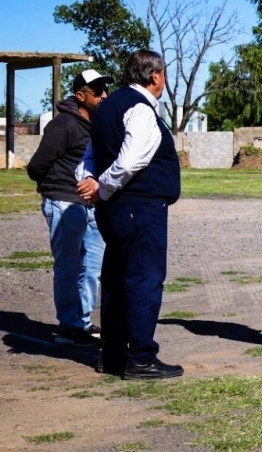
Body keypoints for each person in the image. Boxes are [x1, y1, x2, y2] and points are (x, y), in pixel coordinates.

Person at [76, 50, 183, 380]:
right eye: (164, 75)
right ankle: (140, 358)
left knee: (116, 281)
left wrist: (89, 180)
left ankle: (112, 355)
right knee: (143, 281)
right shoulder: (140, 108)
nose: (164, 81)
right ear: (155, 76)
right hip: (139, 207)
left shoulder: (106, 107)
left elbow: (89, 157)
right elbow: (131, 160)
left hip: (115, 210)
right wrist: (102, 188)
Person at [26, 69, 113, 348]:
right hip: (64, 202)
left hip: (92, 204)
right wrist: (52, 188)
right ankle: (68, 326)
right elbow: (37, 165)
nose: (104, 95)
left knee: (92, 267)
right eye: (97, 91)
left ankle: (82, 321)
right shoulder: (63, 125)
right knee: (69, 267)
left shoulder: (98, 125)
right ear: (80, 96)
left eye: (105, 90)